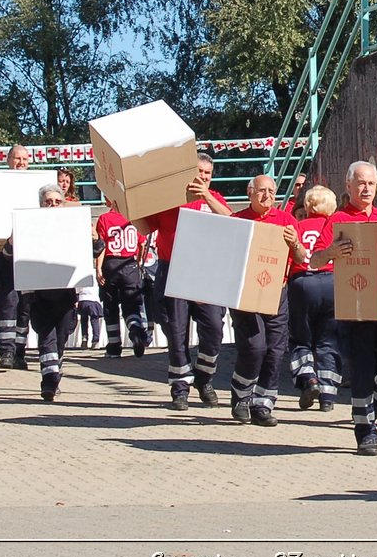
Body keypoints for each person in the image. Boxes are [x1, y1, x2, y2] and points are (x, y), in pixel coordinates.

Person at [310, 161, 377, 455]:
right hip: (355, 310)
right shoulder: (338, 220)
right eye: (360, 183)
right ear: (348, 186)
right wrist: (331, 252)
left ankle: (369, 413)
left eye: (371, 183)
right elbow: (314, 260)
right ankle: (365, 430)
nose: (366, 188)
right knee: (362, 371)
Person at [150, 150, 233, 411]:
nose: (204, 177)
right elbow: (144, 223)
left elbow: (232, 221)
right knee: (176, 332)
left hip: (207, 271)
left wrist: (207, 196)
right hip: (172, 268)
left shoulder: (215, 198)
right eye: (199, 173)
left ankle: (204, 378)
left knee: (214, 329)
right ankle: (180, 387)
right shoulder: (169, 200)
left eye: (208, 174)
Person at [228, 175, 307, 426]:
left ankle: (263, 404)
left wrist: (294, 243)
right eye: (262, 191)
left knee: (275, 350)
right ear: (250, 193)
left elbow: (302, 256)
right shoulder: (237, 221)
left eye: (272, 191)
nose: (267, 196)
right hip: (246, 295)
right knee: (254, 347)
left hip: (277, 292)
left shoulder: (286, 221)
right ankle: (241, 394)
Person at [0, 144, 33, 370]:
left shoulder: (37, 184)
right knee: (8, 301)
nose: (20, 162)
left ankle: (20, 351)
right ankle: (7, 351)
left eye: (24, 159)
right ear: (8, 160)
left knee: (26, 305)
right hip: (2, 252)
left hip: (30, 253)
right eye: (16, 158)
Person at [287, 184, 340, 411]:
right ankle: (328, 397)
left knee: (301, 338)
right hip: (331, 282)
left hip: (303, 283)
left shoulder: (297, 226)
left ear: (308, 205)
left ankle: (308, 378)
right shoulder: (335, 227)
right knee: (328, 340)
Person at [25, 183, 80, 401]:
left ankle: (55, 372)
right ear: (41, 205)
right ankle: (48, 382)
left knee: (60, 338)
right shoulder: (28, 226)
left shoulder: (72, 227)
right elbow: (10, 253)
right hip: (40, 295)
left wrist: (94, 238)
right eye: (48, 202)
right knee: (46, 337)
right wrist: (12, 241)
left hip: (65, 294)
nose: (53, 206)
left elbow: (95, 250)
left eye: (57, 202)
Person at [95, 198, 148, 357]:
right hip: (130, 264)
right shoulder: (133, 218)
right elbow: (143, 243)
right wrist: (138, 261)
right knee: (131, 305)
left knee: (110, 306)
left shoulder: (104, 219)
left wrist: (98, 267)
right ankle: (135, 330)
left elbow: (101, 246)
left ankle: (114, 345)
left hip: (111, 264)